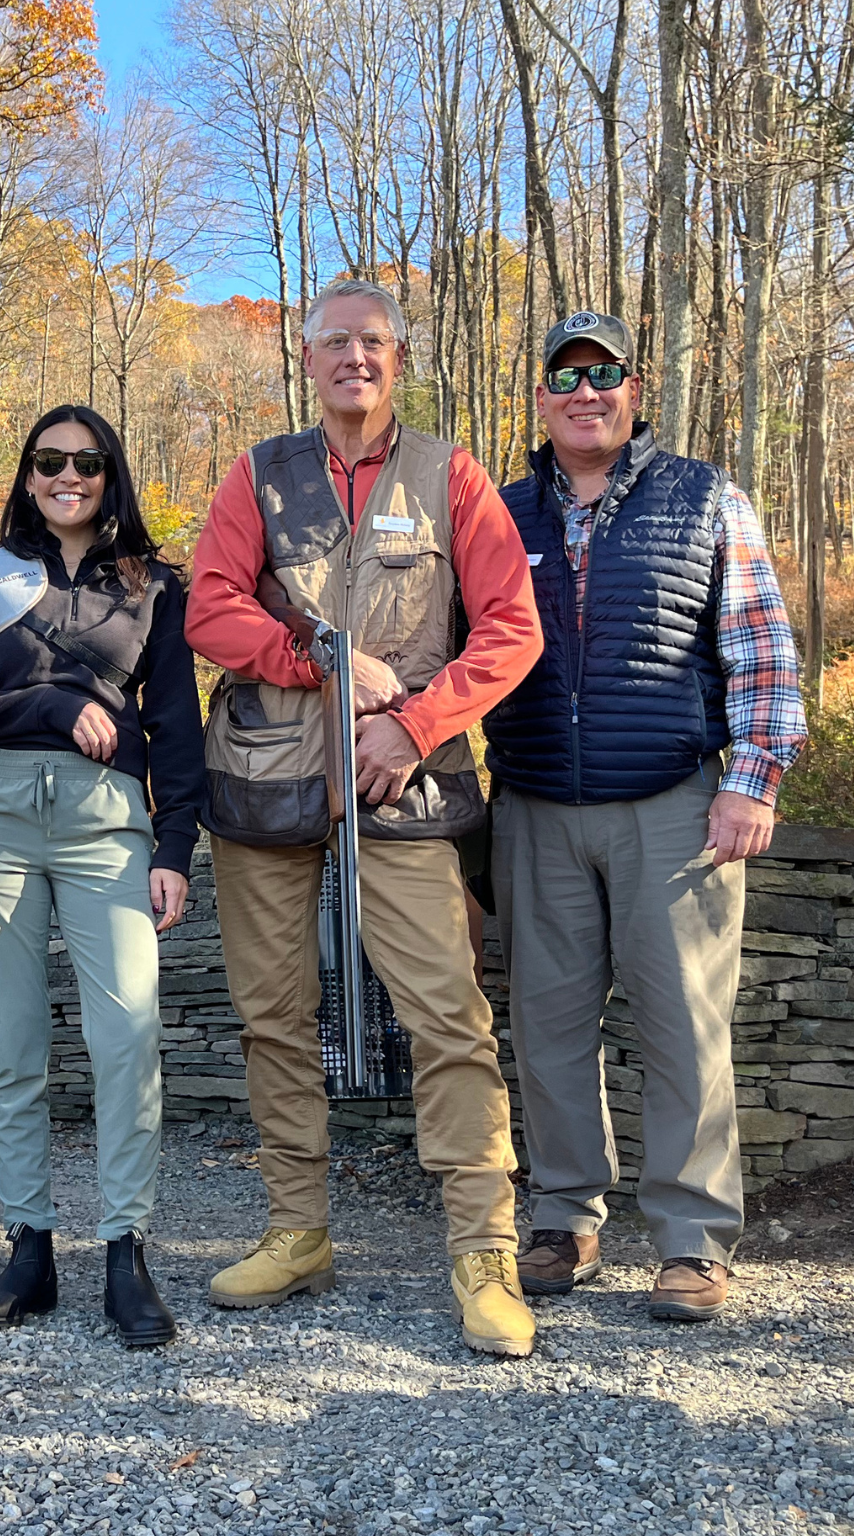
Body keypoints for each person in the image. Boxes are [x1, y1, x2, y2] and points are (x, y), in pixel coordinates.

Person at [184, 278, 546, 1357]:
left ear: (399, 358)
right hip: (269, 773)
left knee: (447, 1015)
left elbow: (510, 630)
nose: (354, 357)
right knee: (270, 1013)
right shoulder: (257, 473)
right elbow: (208, 605)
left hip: (406, 776)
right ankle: (296, 1230)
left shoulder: (450, 476)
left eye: (373, 342)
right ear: (305, 358)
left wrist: (413, 724)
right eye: (334, 341)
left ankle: (481, 1255)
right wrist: (319, 668)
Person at [486, 310, 808, 1323]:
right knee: (545, 1031)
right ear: (538, 397)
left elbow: (760, 646)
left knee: (681, 1028)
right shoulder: (496, 515)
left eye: (605, 374)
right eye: (565, 376)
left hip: (669, 802)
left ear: (635, 389)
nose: (585, 392)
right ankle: (562, 1218)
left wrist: (750, 778)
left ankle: (690, 1238)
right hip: (534, 803)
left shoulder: (702, 497)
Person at [0, 405, 204, 1349]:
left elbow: (177, 728)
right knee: (11, 1043)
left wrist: (174, 852)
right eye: (49, 461)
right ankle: (29, 1248)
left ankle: (126, 1249)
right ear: (28, 474)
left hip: (107, 829)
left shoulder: (154, 587)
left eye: (86, 462)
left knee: (128, 1033)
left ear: (110, 473)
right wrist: (43, 699)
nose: (67, 476)